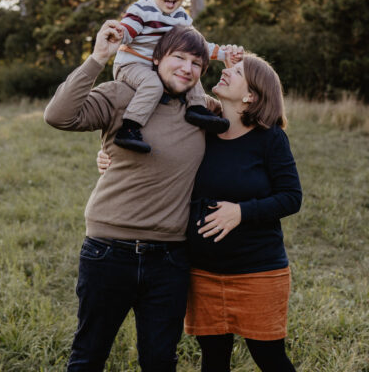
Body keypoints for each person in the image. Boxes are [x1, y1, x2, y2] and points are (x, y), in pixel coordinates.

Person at [97, 54, 302, 372]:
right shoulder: (200, 132)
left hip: (257, 273)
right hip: (202, 272)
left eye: (235, 72)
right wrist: (109, 158)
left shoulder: (270, 138)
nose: (224, 71)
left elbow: (291, 197)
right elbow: (156, 156)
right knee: (213, 361)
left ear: (251, 96)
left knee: (270, 358)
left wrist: (241, 212)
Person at [44, 22, 216, 372]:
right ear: (157, 58)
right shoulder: (122, 94)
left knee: (160, 361)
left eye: (197, 63)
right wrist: (97, 58)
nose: (187, 68)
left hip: (170, 258)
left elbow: (253, 118)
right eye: (178, 57)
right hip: (108, 251)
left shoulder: (204, 112)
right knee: (89, 355)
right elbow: (59, 116)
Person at [113, 0, 241, 153]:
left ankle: (196, 109)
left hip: (159, 67)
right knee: (152, 84)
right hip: (132, 64)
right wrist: (117, 35)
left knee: (189, 71)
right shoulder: (142, 9)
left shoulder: (182, 19)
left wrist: (224, 54)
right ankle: (129, 128)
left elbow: (197, 46)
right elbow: (127, 32)